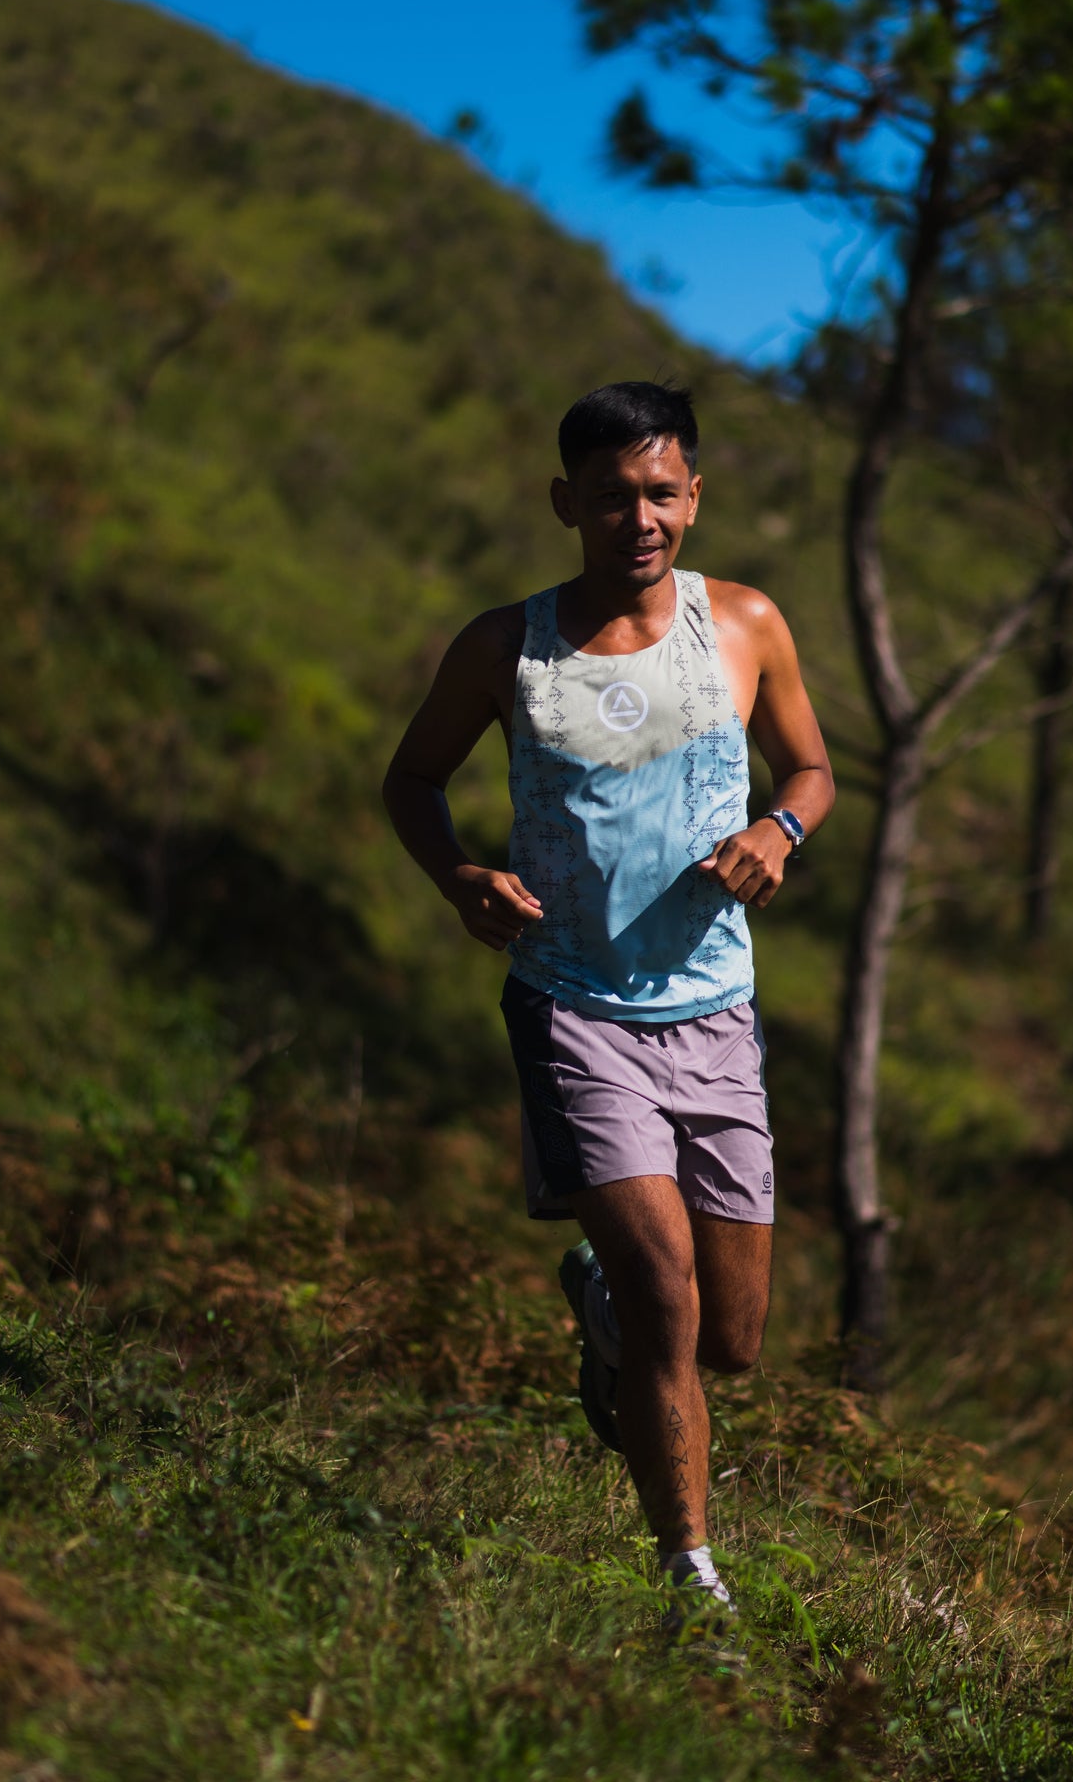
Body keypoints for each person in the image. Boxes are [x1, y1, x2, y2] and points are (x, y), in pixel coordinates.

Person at [383, 380, 834, 1620]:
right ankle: (689, 1577)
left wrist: (779, 829)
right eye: (607, 497)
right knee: (665, 1297)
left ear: (692, 496)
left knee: (729, 1338)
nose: (636, 518)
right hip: (572, 1006)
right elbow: (411, 779)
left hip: (715, 1012)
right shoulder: (504, 645)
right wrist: (459, 874)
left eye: (658, 493)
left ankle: (596, 1300)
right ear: (562, 503)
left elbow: (809, 765)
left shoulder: (742, 623)